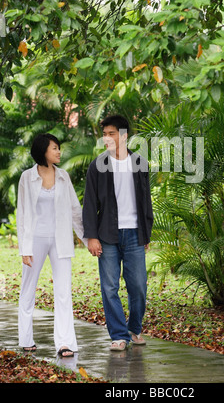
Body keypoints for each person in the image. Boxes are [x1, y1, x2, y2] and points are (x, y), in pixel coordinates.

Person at [83, 115, 153, 351]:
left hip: (134, 233)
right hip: (107, 235)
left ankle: (134, 328)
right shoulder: (98, 166)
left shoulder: (140, 163)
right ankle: (119, 335)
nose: (106, 138)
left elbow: (146, 202)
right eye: (104, 134)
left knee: (139, 286)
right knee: (109, 286)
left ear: (123, 136)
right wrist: (91, 236)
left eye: (111, 133)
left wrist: (146, 234)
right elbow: (90, 203)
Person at [17, 133, 86, 357]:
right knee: (28, 290)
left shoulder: (64, 176)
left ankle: (64, 343)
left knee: (64, 291)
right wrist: (23, 249)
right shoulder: (27, 177)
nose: (59, 151)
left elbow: (75, 210)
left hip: (61, 240)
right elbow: (22, 214)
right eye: (54, 148)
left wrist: (87, 239)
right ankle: (26, 339)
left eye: (58, 148)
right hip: (34, 239)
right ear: (43, 150)